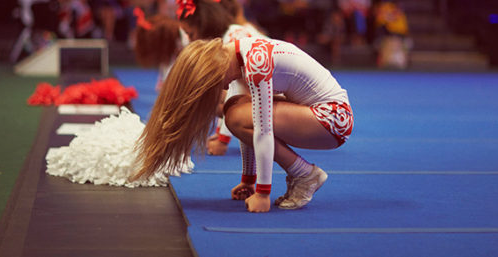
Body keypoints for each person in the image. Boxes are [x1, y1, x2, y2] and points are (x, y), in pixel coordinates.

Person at [131, 36, 353, 213]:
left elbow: (262, 130)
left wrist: (263, 193)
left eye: (214, 83)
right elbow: (250, 125)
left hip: (333, 120)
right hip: (325, 115)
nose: (222, 87)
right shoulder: (237, 54)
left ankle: (306, 175)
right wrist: (248, 180)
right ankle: (303, 174)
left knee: (235, 115)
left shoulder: (255, 63)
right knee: (234, 109)